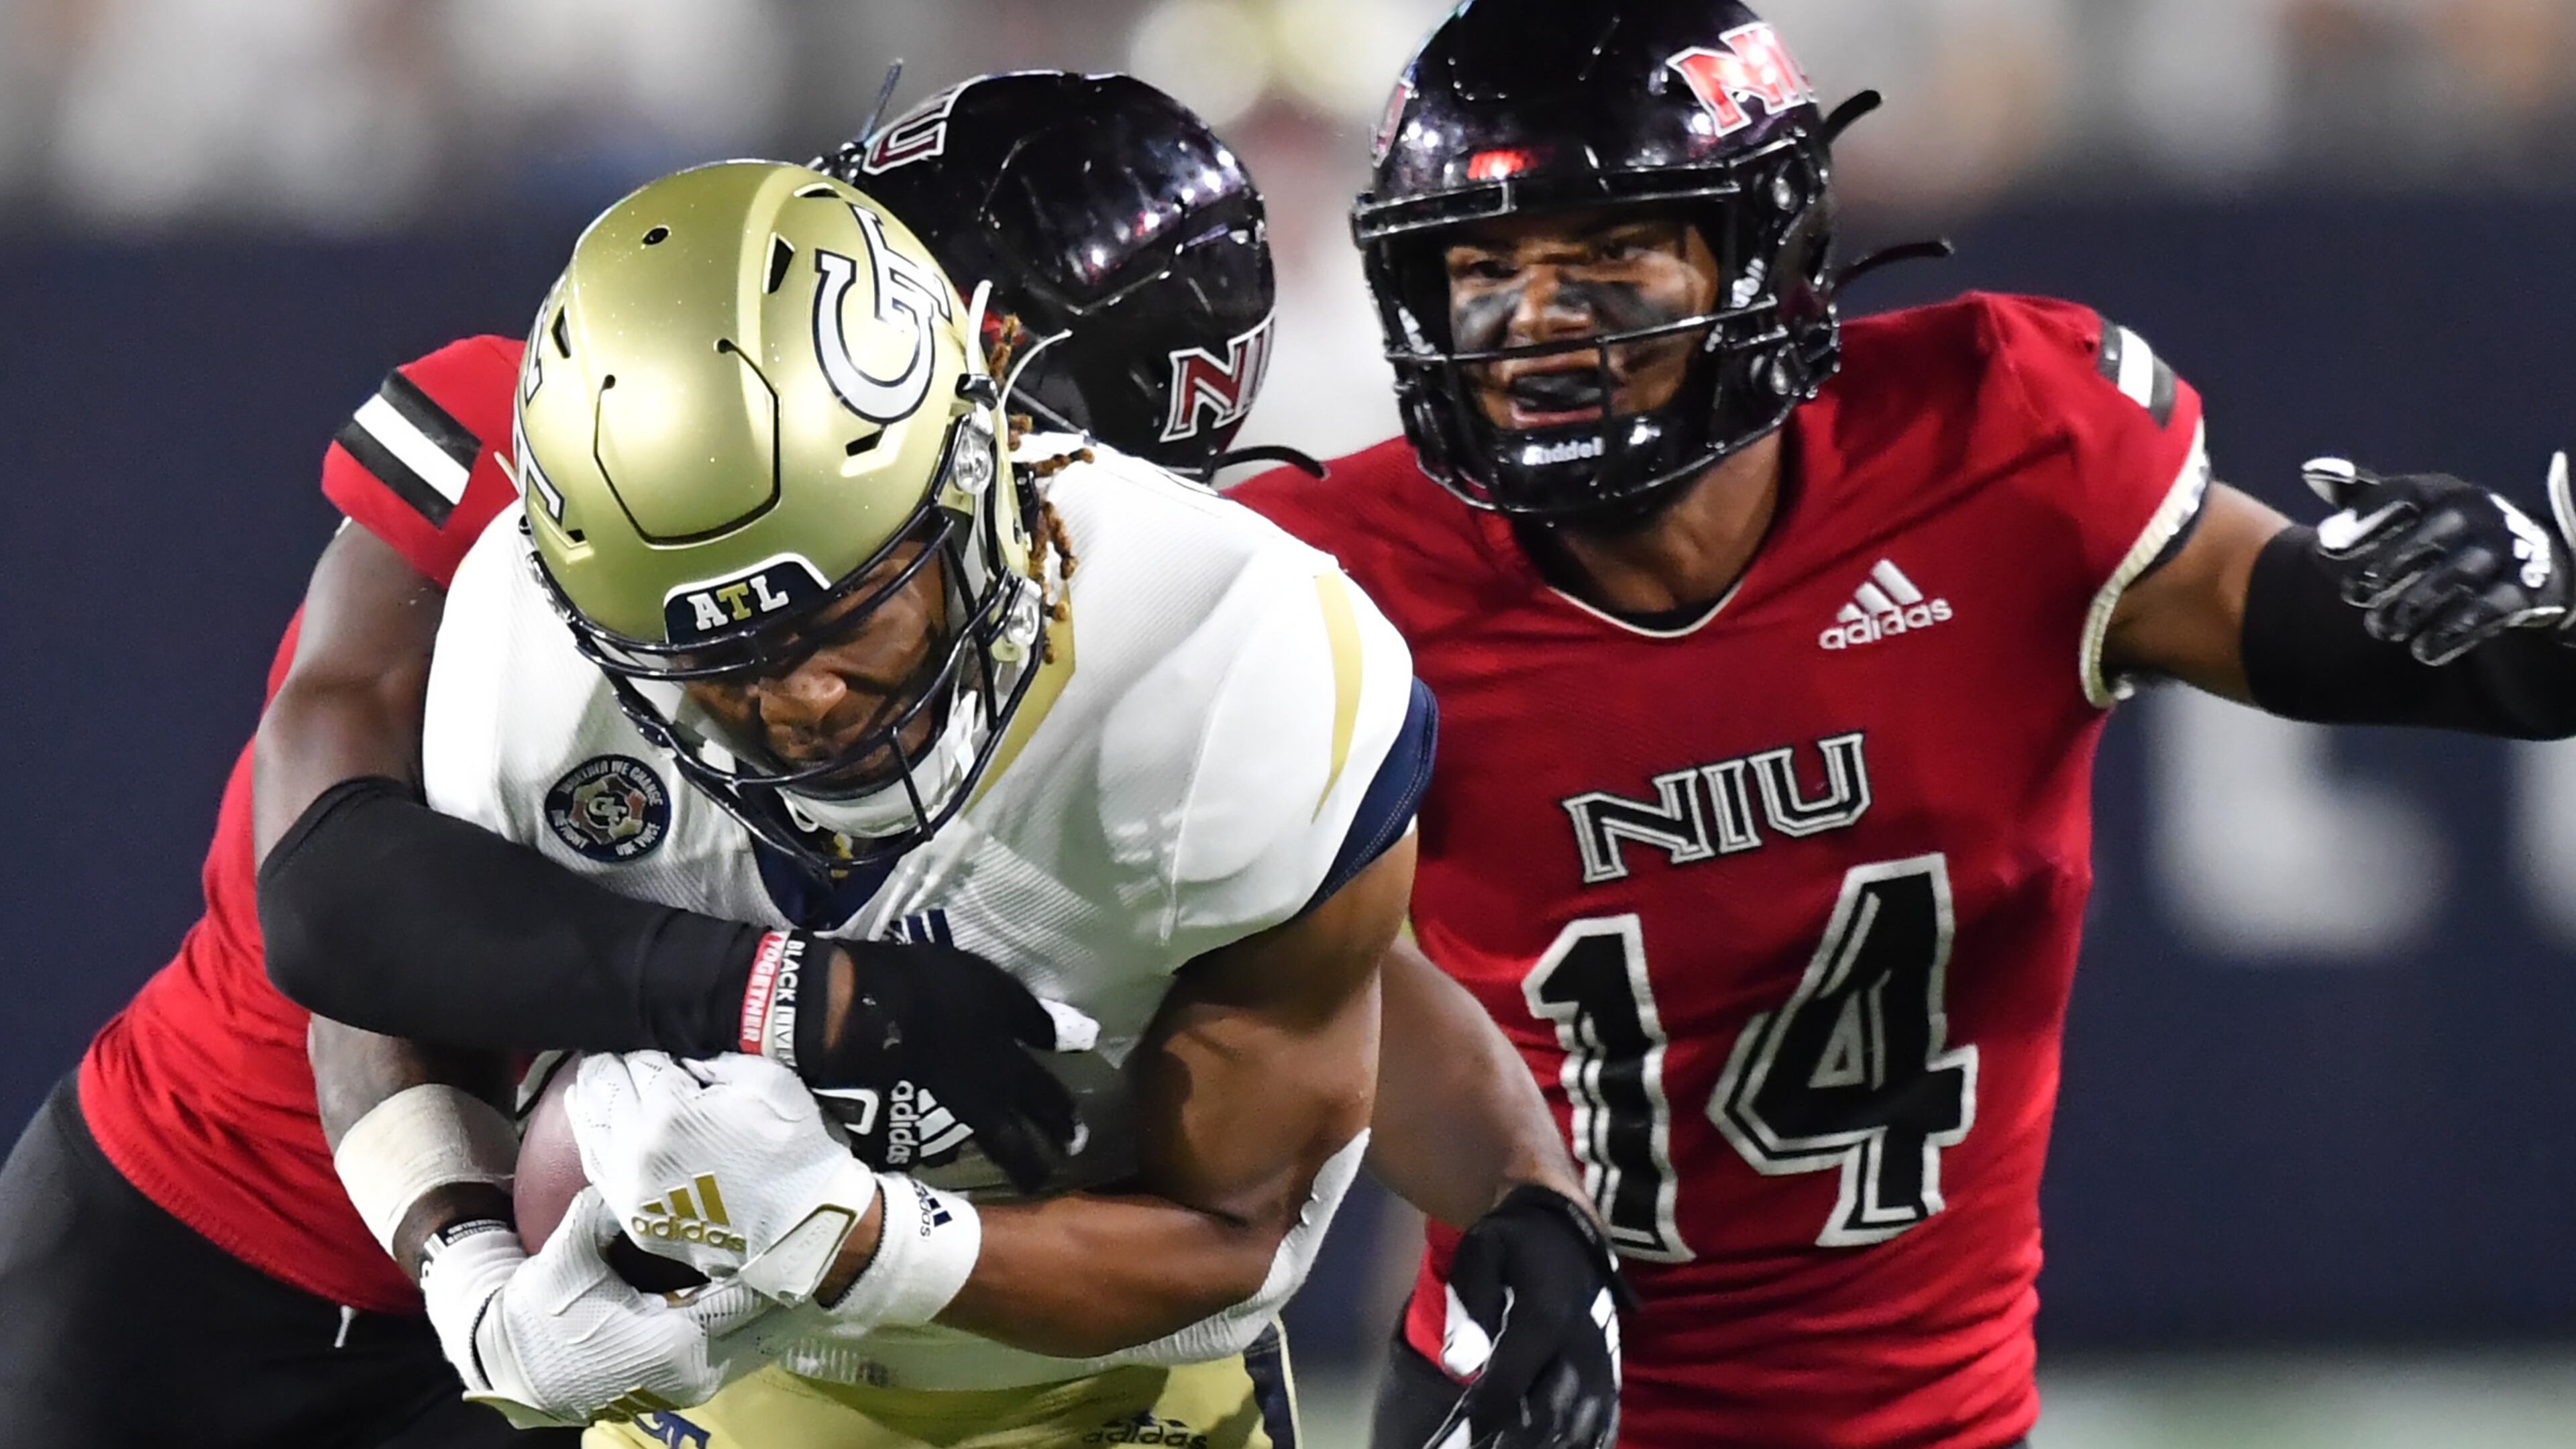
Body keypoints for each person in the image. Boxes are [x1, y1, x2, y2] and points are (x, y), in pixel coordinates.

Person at [0, 74, 1619, 1449]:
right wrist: (765, 1007)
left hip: (692, 1305)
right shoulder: (567, 465)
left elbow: (1315, 977)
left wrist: (1530, 1199)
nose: (1086, 513)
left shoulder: (1158, 624)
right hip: (251, 1206)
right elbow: (347, 907)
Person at [1223, 2, 2576, 1446]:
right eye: (1483, 265)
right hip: (1547, 1395)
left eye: (1612, 252)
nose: (1540, 318)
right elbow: (1272, 956)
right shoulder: (1323, 581)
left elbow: (2314, 621)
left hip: (1928, 1420)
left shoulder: (1999, 444)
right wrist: (1509, 1205)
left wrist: (2518, 619)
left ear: (1765, 244)